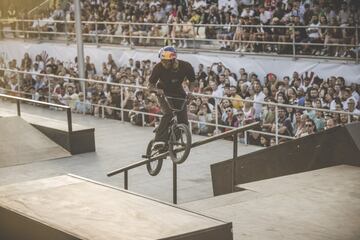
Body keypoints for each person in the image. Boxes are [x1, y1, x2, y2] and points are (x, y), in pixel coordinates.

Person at [148, 46, 195, 149]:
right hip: (163, 93)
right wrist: (156, 90)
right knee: (168, 113)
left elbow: (192, 81)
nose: (164, 64)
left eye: (166, 62)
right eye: (162, 61)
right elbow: (150, 85)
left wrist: (190, 92)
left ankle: (171, 142)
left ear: (173, 60)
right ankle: (159, 140)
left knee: (184, 123)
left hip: (178, 92)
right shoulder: (158, 67)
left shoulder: (186, 66)